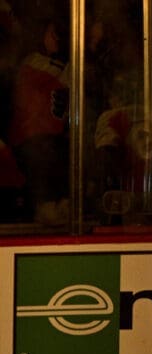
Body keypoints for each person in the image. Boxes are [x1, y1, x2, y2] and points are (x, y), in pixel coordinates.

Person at [7, 14, 70, 226]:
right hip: (33, 141)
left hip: (47, 141)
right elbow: (71, 74)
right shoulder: (34, 63)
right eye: (52, 33)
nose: (57, 38)